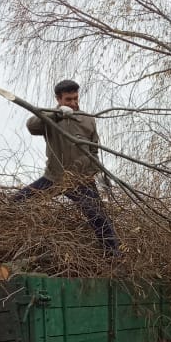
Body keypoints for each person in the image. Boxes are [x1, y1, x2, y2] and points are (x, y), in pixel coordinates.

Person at [14, 78, 122, 260]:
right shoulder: (48, 116)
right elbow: (32, 126)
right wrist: (57, 114)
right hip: (54, 178)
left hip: (80, 181)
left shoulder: (87, 120)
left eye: (75, 98)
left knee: (100, 220)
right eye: (68, 100)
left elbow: (94, 150)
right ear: (58, 99)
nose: (73, 103)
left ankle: (114, 259)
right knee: (17, 203)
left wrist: (92, 173)